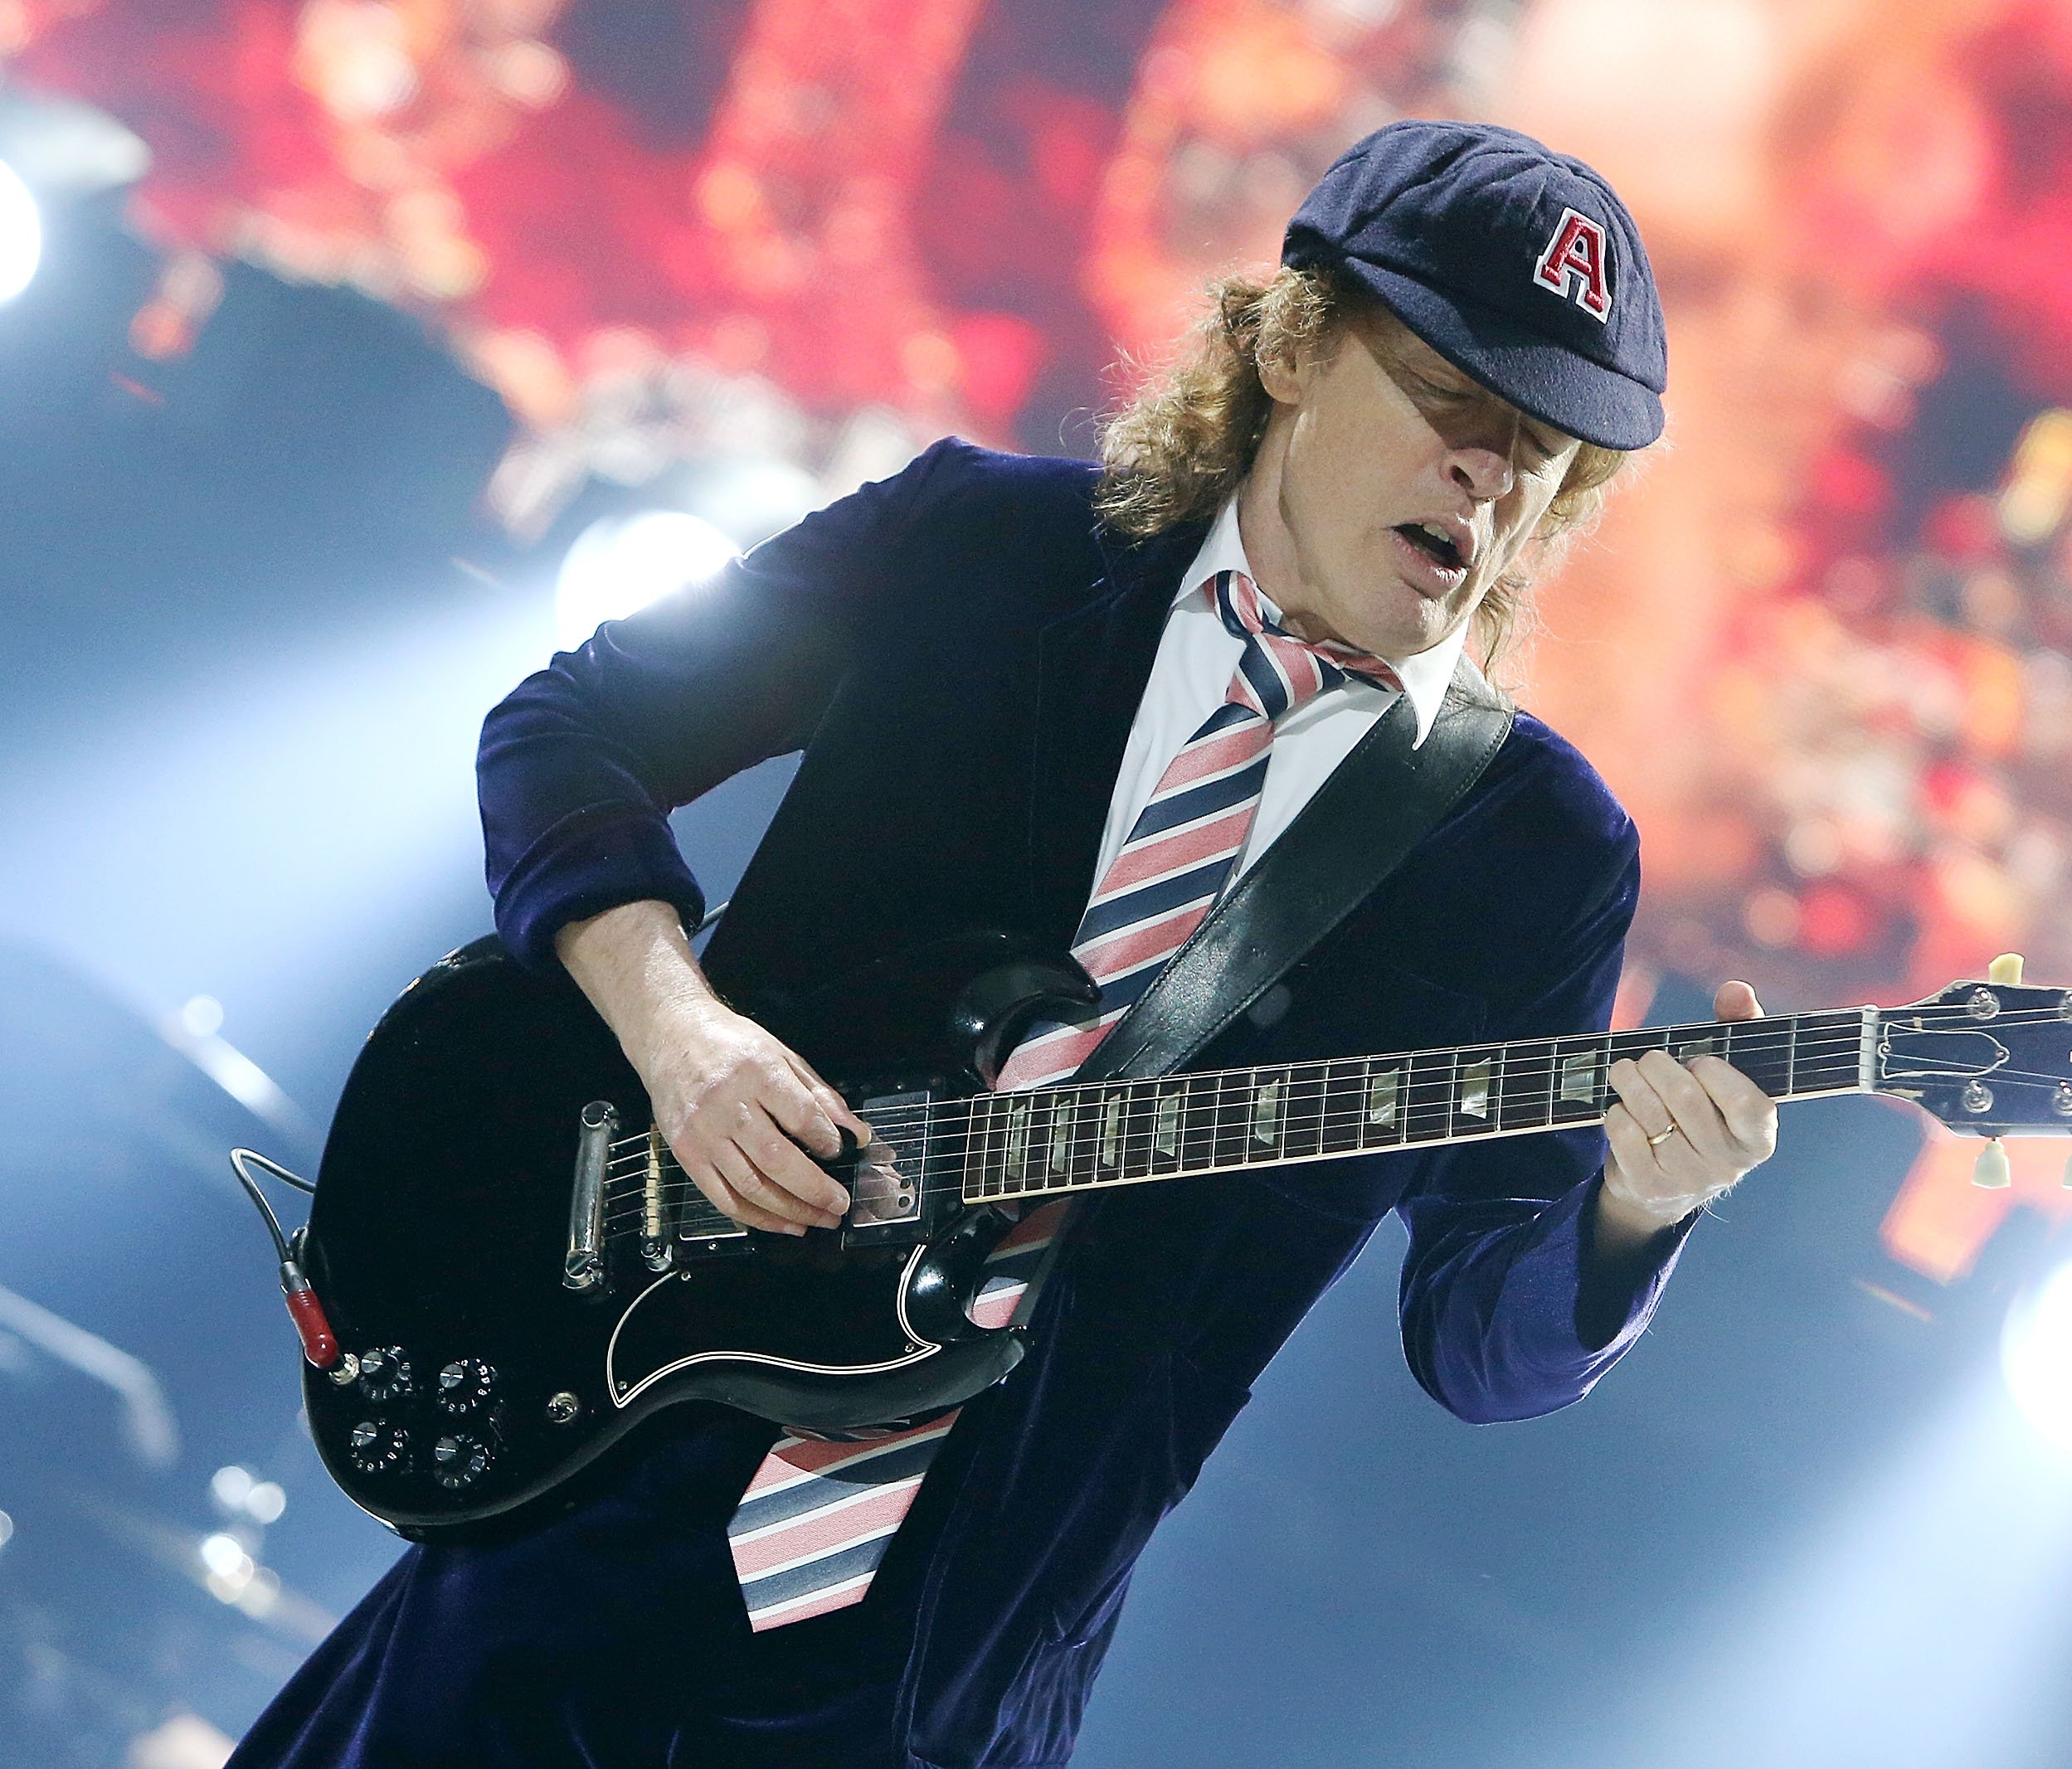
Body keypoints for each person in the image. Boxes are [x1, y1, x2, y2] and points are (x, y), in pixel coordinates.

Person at [231, 119, 1778, 1769]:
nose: (1490, 469)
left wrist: (1637, 1206)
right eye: (1452, 395)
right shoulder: (975, 547)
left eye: (1545, 445)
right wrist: (680, 1035)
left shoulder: (1533, 853)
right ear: (1292, 341)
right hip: (569, 1544)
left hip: (932, 1688)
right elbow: (571, 733)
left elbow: (1485, 1343)